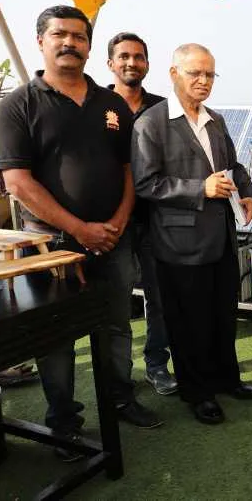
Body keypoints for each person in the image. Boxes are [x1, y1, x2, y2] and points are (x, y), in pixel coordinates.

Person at [0, 6, 163, 461]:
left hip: (114, 239)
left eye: (78, 36)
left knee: (116, 324)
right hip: (51, 247)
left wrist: (119, 222)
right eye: (59, 34)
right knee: (55, 337)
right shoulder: (17, 105)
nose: (69, 42)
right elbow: (17, 182)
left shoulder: (110, 105)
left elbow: (129, 169)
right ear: (41, 42)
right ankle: (64, 423)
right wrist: (80, 230)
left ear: (90, 46)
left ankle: (121, 398)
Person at [131, 43, 252, 425]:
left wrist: (249, 192)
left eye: (209, 74)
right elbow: (146, 183)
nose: (203, 81)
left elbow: (233, 166)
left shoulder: (215, 119)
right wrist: (197, 189)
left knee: (223, 313)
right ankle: (197, 392)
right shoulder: (151, 123)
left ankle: (227, 379)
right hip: (178, 242)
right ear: (174, 74)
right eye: (195, 73)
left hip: (222, 235)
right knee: (188, 321)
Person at [106, 31, 176, 396]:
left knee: (158, 297)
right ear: (111, 63)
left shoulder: (164, 108)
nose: (131, 62)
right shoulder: (95, 106)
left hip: (155, 219)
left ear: (148, 63)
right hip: (112, 224)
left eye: (139, 57)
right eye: (124, 56)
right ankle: (118, 379)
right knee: (116, 304)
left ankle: (157, 365)